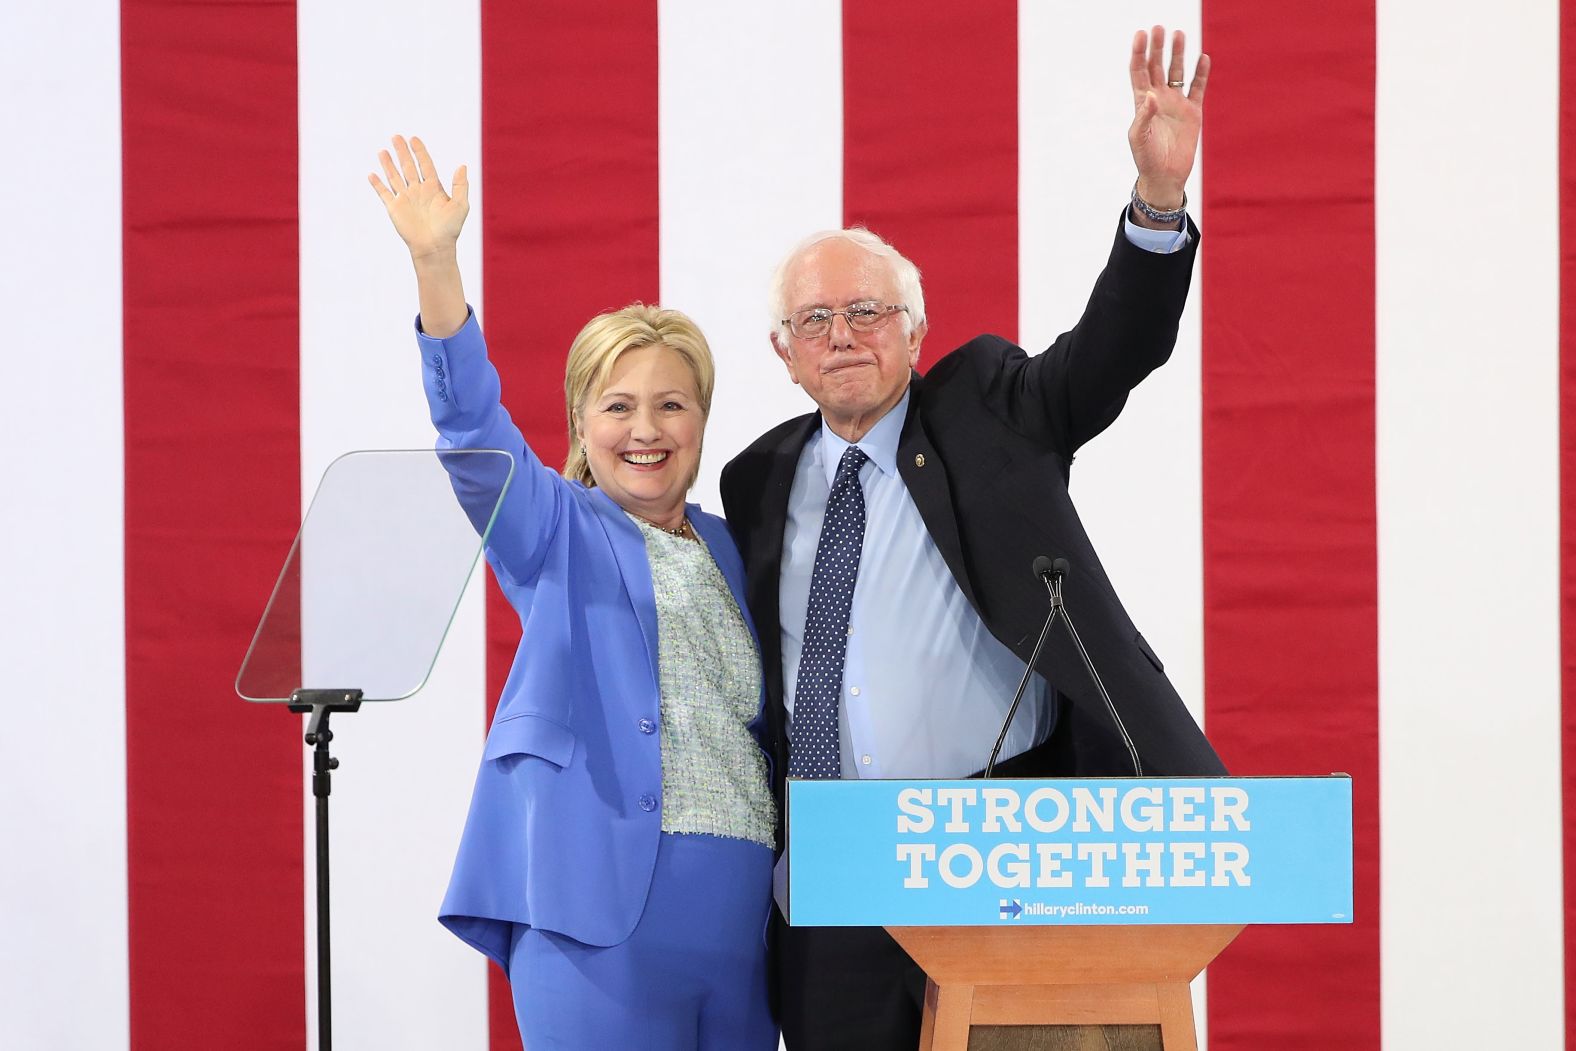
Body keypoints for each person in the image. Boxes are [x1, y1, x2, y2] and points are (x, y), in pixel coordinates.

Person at [718, 26, 1227, 1051]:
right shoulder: (757, 478)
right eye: (815, 320)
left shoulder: (990, 404)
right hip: (832, 878)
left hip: (994, 863)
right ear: (783, 353)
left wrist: (1157, 206)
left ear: (916, 327)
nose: (843, 335)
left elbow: (1106, 356)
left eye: (868, 310)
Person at [370, 134, 778, 1050]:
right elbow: (470, 423)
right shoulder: (554, 526)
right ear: (578, 424)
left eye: (671, 404)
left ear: (703, 418)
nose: (646, 428)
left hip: (744, 923)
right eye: (617, 406)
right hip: (596, 911)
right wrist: (437, 264)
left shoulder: (736, 546)